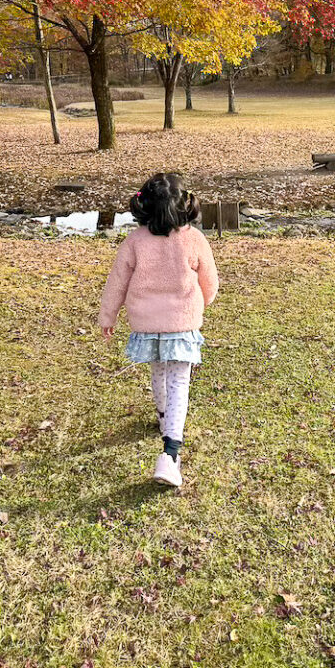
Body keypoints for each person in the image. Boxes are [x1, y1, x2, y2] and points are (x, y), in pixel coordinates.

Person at [98, 173, 219, 488]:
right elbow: (210, 283)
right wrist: (201, 303)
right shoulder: (194, 239)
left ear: (144, 206)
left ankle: (165, 418)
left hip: (147, 324)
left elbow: (117, 282)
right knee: (179, 381)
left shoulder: (135, 241)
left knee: (159, 372)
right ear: (184, 205)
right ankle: (170, 452)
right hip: (182, 323)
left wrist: (108, 316)